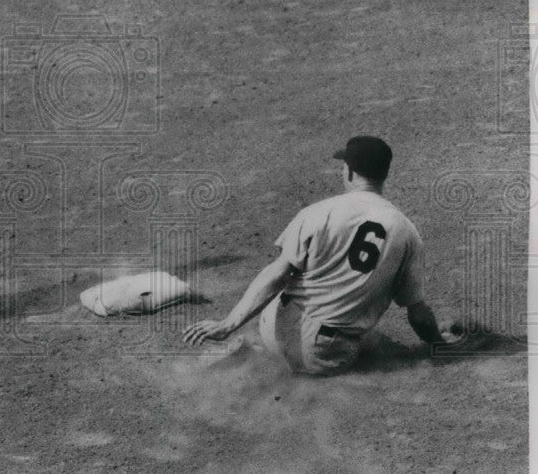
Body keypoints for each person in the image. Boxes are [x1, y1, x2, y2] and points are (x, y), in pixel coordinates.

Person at [184, 136, 453, 375]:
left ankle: (247, 351)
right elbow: (418, 314)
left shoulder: (317, 212)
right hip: (326, 356)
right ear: (384, 175)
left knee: (288, 283)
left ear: (349, 172)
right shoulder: (407, 232)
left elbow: (277, 274)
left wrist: (227, 323)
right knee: (374, 340)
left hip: (275, 331)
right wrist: (439, 345)